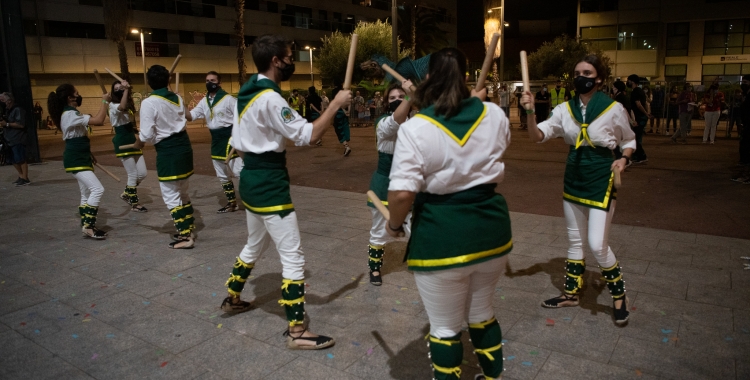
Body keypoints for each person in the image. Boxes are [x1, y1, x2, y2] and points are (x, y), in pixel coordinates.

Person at [386, 48, 512, 380]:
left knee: (444, 327)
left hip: (442, 236)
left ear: (429, 78)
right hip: (492, 232)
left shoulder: (416, 128)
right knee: (482, 313)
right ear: (466, 75)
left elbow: (401, 193)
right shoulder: (495, 115)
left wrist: (394, 224)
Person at [220, 34, 351, 350]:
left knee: (254, 243)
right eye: (291, 57)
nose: (294, 61)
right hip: (269, 185)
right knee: (292, 257)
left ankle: (234, 296)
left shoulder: (246, 93)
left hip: (251, 181)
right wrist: (335, 104)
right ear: (276, 60)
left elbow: (235, 145)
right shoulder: (270, 99)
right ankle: (296, 331)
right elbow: (307, 135)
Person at [521, 54, 635, 326]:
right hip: (573, 175)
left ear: (599, 78)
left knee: (597, 243)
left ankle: (619, 296)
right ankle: (571, 293)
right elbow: (537, 136)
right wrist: (529, 112)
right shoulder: (564, 109)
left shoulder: (613, 108)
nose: (581, 77)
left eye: (587, 72)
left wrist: (624, 158)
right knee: (574, 240)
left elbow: (629, 140)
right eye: (577, 72)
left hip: (600, 175)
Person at [131, 65, 196, 249]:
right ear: (167, 80)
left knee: (171, 195)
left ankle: (186, 236)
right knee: (182, 191)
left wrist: (140, 140)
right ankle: (189, 227)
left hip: (168, 151)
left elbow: (146, 135)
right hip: (184, 148)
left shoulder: (149, 102)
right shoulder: (177, 97)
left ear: (149, 83)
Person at [366, 80, 414, 286]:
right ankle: (374, 269)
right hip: (384, 184)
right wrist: (411, 95)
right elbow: (396, 119)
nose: (397, 101)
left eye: (401, 97)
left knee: (415, 227)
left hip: (411, 183)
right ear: (386, 102)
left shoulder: (416, 121)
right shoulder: (383, 123)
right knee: (379, 229)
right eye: (393, 98)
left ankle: (420, 259)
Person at [47, 84, 111, 238]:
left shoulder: (71, 113)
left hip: (80, 157)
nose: (79, 95)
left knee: (85, 193)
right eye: (76, 93)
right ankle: (88, 226)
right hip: (75, 159)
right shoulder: (69, 114)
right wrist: (104, 101)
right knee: (97, 189)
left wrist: (88, 153)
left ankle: (87, 224)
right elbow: (99, 119)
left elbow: (78, 137)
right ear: (70, 98)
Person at [186, 71, 241, 213]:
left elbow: (241, 117)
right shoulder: (204, 101)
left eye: (213, 80)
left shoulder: (228, 99)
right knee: (222, 174)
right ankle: (231, 202)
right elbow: (190, 116)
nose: (210, 82)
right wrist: (180, 104)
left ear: (219, 83)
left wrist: (238, 137)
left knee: (240, 172)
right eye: (207, 80)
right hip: (215, 140)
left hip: (230, 139)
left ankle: (256, 201)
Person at [109, 79, 148, 212]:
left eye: (121, 88)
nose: (119, 90)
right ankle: (134, 204)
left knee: (142, 173)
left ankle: (127, 193)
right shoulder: (112, 105)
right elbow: (121, 107)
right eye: (117, 89)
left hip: (131, 138)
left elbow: (130, 119)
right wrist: (126, 89)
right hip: (122, 140)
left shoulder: (128, 105)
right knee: (132, 174)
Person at [0, 93, 31, 185]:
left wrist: (7, 124)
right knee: (12, 159)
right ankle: (21, 176)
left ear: (9, 101)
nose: (2, 103)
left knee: (20, 159)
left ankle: (25, 178)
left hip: (17, 138)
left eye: (2, 100)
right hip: (8, 138)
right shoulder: (7, 110)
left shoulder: (18, 109)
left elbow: (21, 124)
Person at [731, 75, 750, 183]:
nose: (743, 84)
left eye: (746, 82)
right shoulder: (746, 95)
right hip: (746, 125)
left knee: (747, 150)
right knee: (745, 149)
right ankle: (745, 173)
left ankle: (746, 175)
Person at [627, 74, 650, 163]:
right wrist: (647, 113)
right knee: (637, 137)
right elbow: (645, 103)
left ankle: (641, 156)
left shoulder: (635, 92)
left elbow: (639, 104)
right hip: (641, 117)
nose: (627, 82)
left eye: (628, 80)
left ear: (632, 81)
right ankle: (637, 156)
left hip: (638, 117)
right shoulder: (640, 91)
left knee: (636, 138)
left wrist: (646, 114)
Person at [332, 84, 352, 156]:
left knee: (338, 128)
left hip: (339, 112)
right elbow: (349, 102)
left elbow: (338, 103)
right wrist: (348, 111)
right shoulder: (345, 91)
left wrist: (344, 111)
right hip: (345, 113)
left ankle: (346, 146)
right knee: (345, 126)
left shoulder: (335, 92)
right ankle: (347, 140)